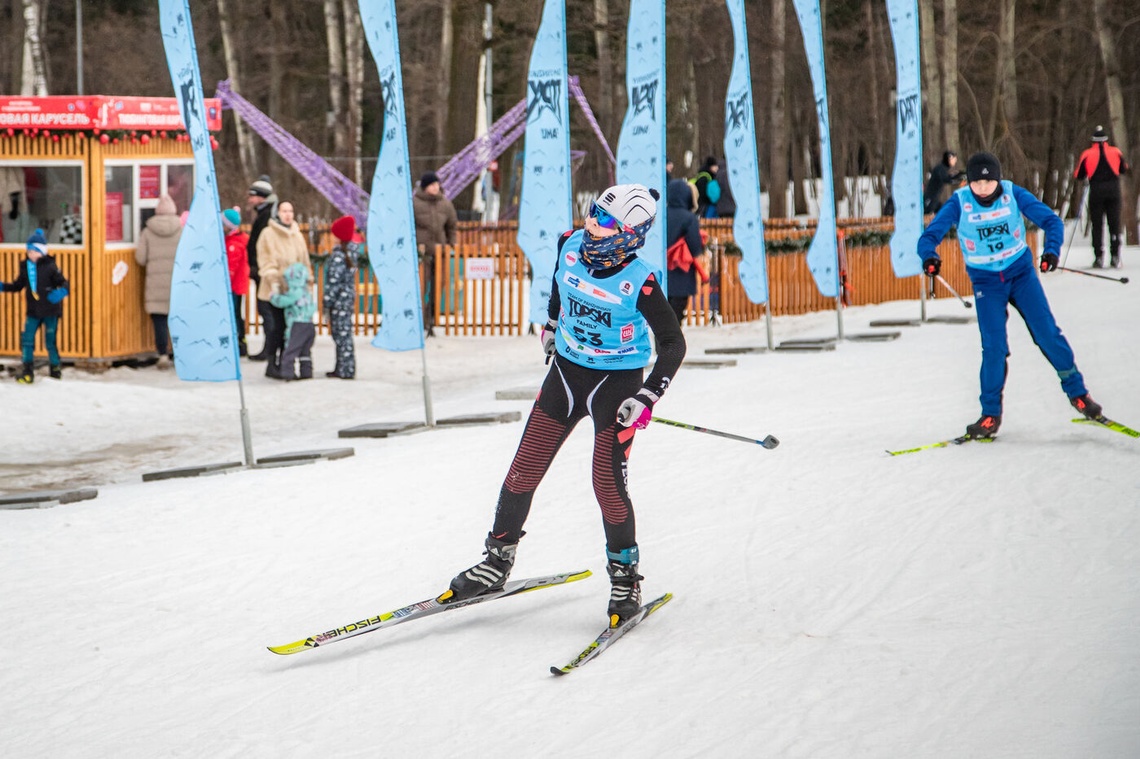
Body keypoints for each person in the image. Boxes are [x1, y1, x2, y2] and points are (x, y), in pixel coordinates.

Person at [441, 183, 686, 627]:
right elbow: (559, 287)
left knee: (607, 485)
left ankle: (625, 578)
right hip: (566, 375)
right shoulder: (570, 245)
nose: (593, 223)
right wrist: (552, 325)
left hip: (616, 385)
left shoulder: (641, 280)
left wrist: (646, 396)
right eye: (594, 212)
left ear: (631, 232)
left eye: (606, 220)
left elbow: (672, 343)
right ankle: (497, 561)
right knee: (522, 471)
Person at [917, 152, 1107, 439]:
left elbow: (1052, 222)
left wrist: (1052, 251)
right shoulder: (960, 202)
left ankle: (1079, 394)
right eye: (976, 183)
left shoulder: (1012, 194)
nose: (983, 188)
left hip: (1020, 275)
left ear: (997, 179)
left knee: (1047, 334)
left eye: (988, 182)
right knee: (993, 348)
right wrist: (929, 256)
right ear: (968, 182)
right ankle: (990, 416)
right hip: (986, 282)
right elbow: (929, 236)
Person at [0, 229, 69, 383]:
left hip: (51, 310)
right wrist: (4, 287)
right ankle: (27, 371)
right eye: (29, 251)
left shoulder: (50, 266)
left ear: (42, 252)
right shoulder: (25, 267)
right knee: (27, 340)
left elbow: (64, 282)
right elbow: (18, 286)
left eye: (34, 251)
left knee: (50, 341)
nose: (31, 254)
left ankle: (55, 370)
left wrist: (61, 292)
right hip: (33, 311)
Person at [256, 200, 313, 379]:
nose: (288, 214)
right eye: (284, 211)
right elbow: (266, 261)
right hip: (274, 292)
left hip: (294, 293)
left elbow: (305, 261)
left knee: (290, 330)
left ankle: (285, 362)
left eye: (290, 210)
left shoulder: (297, 235)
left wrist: (307, 282)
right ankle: (272, 363)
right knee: (275, 329)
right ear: (277, 213)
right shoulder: (268, 234)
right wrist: (274, 280)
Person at [1073, 126, 1131, 269]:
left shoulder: (1087, 154)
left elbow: (1078, 175)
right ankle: (1115, 256)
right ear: (1106, 140)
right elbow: (1124, 169)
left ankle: (1098, 256)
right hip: (1113, 191)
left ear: (1093, 141)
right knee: (1114, 224)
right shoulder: (1116, 152)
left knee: (1097, 225)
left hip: (1096, 191)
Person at [135, 193, 182, 367]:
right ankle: (179, 353)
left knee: (160, 322)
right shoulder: (182, 230)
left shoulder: (147, 231)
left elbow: (140, 258)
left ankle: (163, 355)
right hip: (177, 284)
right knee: (177, 321)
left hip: (155, 285)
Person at [412, 171, 458, 335]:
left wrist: (451, 242)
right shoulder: (414, 203)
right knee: (421, 286)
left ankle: (429, 319)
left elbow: (452, 225)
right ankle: (416, 319)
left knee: (438, 287)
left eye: (437, 184)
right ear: (425, 187)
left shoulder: (445, 204)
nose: (435, 187)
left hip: (440, 252)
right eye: (432, 184)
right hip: (421, 253)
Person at [665, 177, 708, 327]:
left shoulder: (661, 215)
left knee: (662, 318)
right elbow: (695, 247)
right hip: (681, 274)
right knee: (676, 317)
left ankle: (661, 347)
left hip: (662, 276)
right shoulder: (689, 218)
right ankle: (673, 348)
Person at [245, 175, 277, 360]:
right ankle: (269, 347)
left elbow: (263, 245)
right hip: (261, 268)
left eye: (252, 195)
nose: (250, 199)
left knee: (266, 309)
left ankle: (270, 348)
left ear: (261, 196)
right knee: (265, 309)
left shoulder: (267, 216)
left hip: (263, 270)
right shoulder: (264, 213)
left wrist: (257, 266)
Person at [324, 215, 360, 379]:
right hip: (346, 301)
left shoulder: (339, 256)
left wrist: (327, 301)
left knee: (341, 335)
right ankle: (344, 367)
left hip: (338, 302)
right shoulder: (350, 254)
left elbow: (334, 282)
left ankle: (346, 369)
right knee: (343, 334)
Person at [269, 262, 316, 381]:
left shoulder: (294, 291)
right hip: (309, 324)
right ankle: (306, 372)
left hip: (297, 325)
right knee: (305, 350)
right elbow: (313, 306)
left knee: (291, 349)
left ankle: (287, 372)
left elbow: (283, 302)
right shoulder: (307, 292)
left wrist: (274, 297)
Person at [221, 207, 250, 356]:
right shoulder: (234, 240)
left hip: (233, 286)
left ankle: (239, 341)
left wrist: (223, 284)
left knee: (234, 313)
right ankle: (240, 341)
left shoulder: (234, 244)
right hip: (236, 285)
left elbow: (230, 268)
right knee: (236, 313)